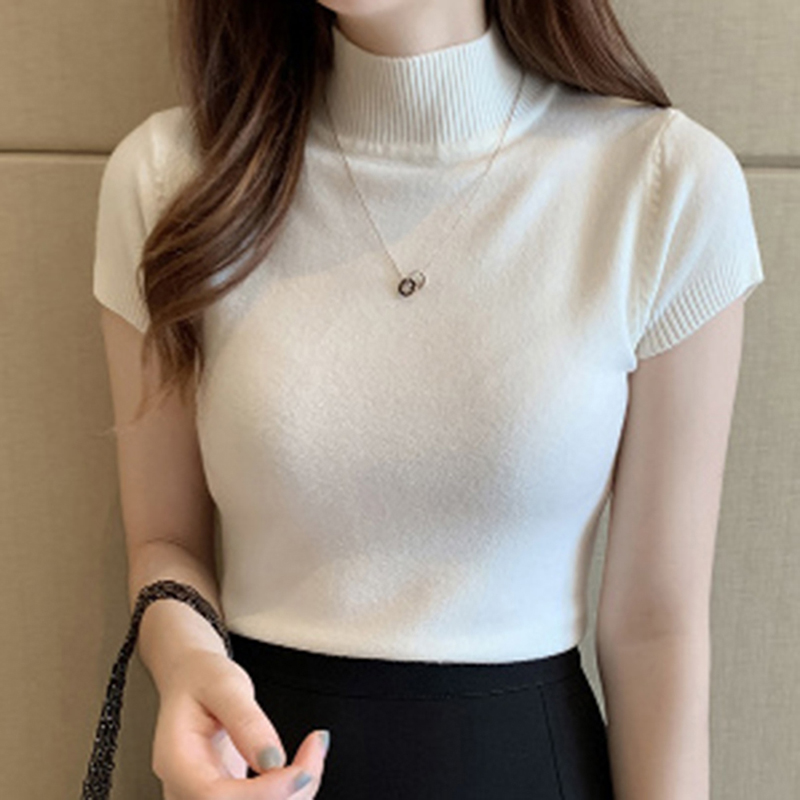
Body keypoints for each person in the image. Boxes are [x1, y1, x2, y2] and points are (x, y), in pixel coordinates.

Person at [92, 0, 765, 798]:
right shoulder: (172, 179)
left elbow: (656, 623)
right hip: (256, 770)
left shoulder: (663, 184)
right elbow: (165, 542)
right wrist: (188, 667)